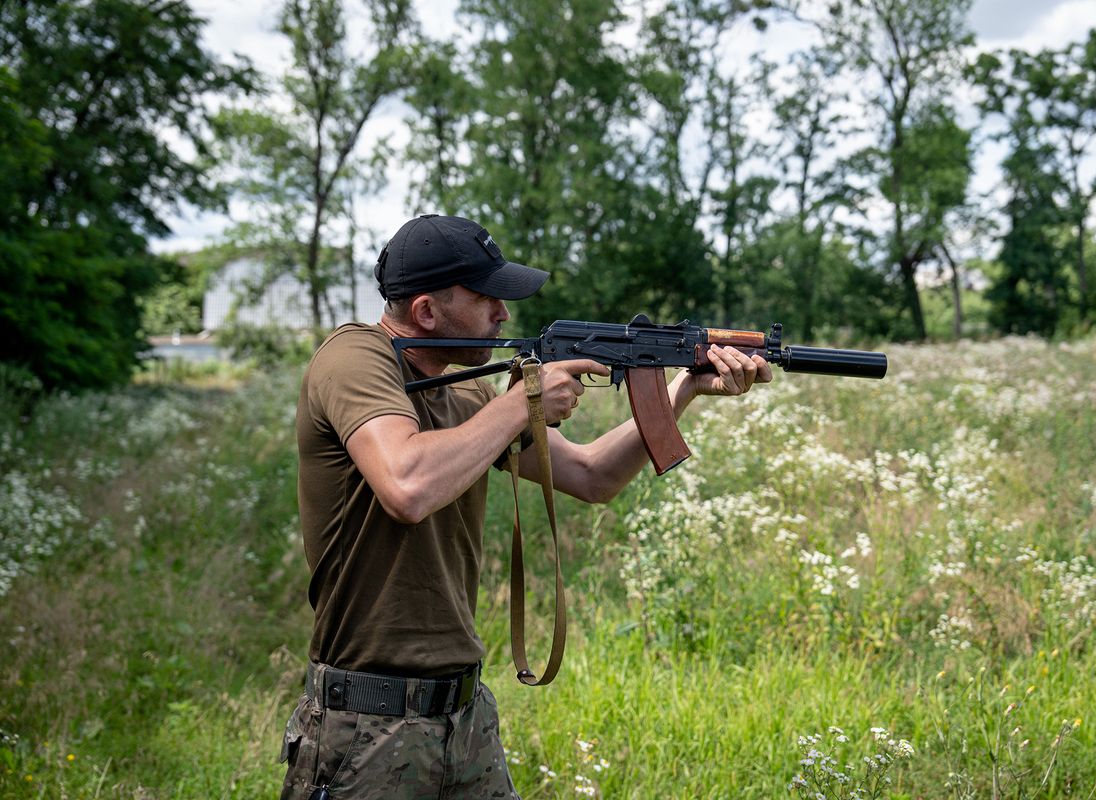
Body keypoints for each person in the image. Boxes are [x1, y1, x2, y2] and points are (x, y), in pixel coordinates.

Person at [279, 213, 772, 800]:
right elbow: (406, 485)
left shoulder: (466, 389)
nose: (504, 314)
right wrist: (523, 404)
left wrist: (682, 388)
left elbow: (592, 476)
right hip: (366, 724)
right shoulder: (355, 356)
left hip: (463, 718)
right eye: (488, 297)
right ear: (427, 312)